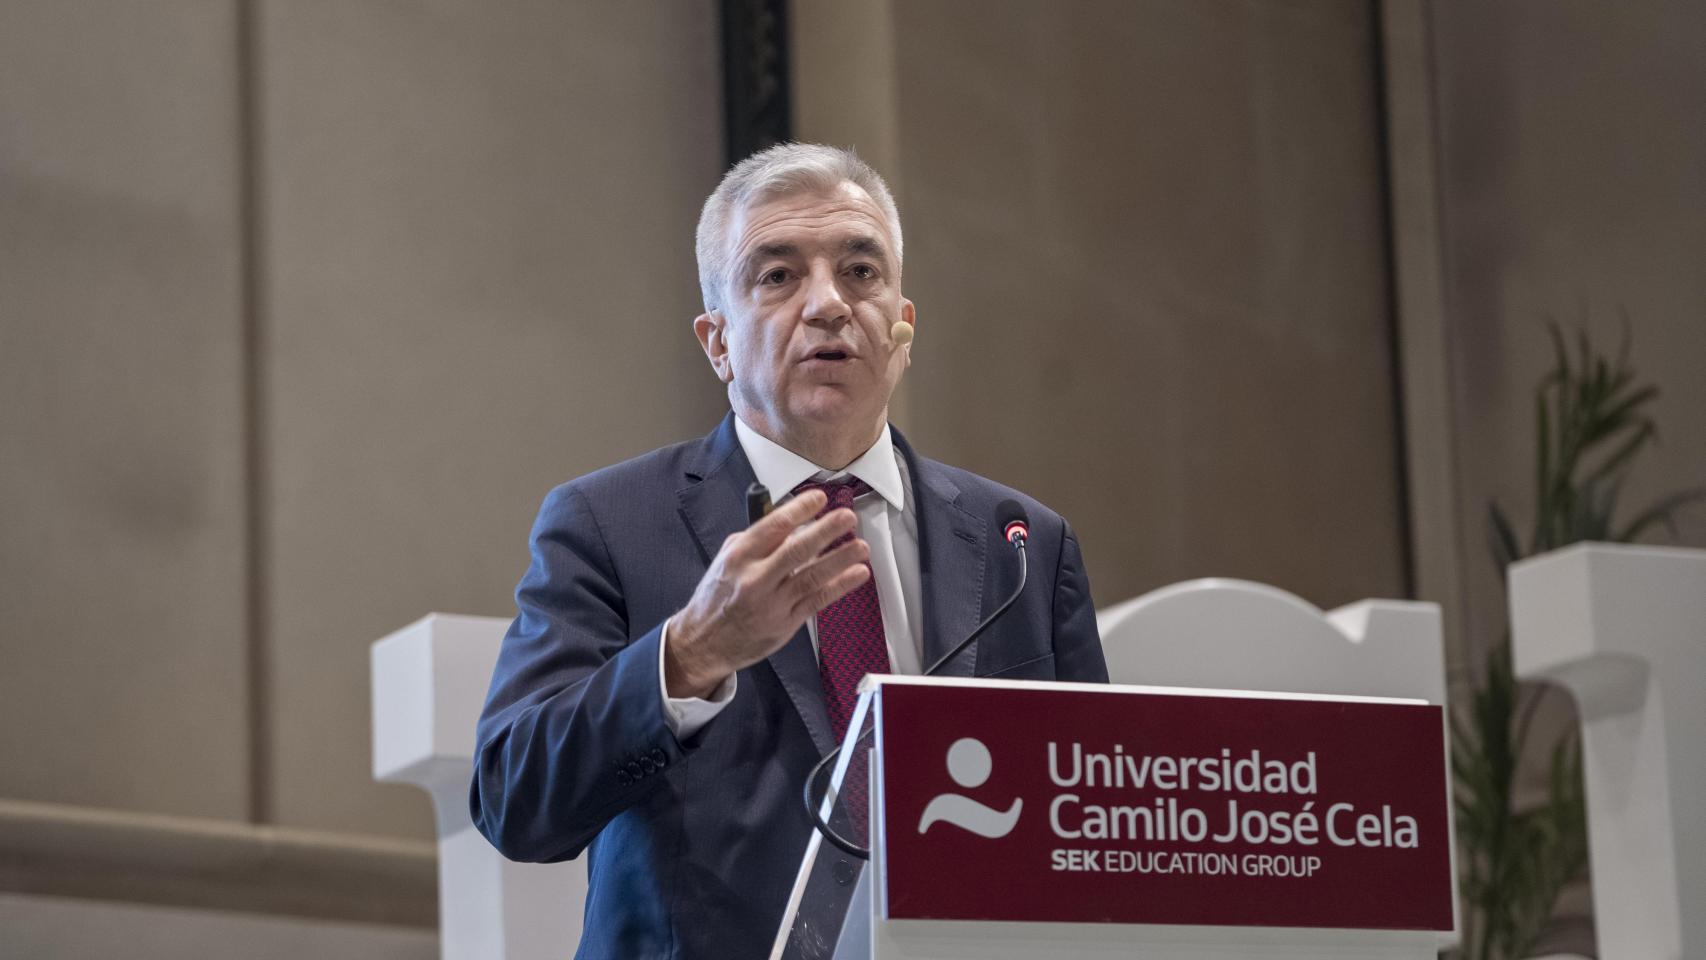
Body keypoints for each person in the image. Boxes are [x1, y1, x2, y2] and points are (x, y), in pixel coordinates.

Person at [470, 143, 1107, 960]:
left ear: (904, 326)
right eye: (777, 276)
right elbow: (515, 801)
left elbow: (1089, 820)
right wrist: (689, 655)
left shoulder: (1022, 543)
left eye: (861, 271)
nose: (829, 304)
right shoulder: (608, 524)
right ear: (717, 342)